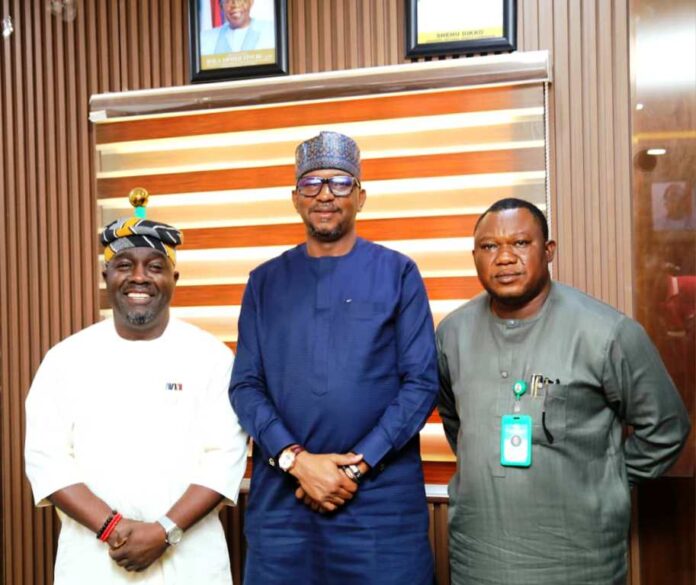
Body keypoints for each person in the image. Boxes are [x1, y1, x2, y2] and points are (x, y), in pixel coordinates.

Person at [436, 198, 691, 585]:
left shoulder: (606, 332)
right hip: (479, 558)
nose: (504, 258)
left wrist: (607, 478)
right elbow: (457, 421)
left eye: (520, 243)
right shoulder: (451, 334)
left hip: (580, 562)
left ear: (548, 251)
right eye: (490, 247)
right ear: (475, 256)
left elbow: (667, 427)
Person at [230, 131, 438, 584]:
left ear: (360, 196)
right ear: (295, 198)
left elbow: (421, 383)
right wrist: (298, 461)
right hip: (285, 506)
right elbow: (245, 386)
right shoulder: (264, 283)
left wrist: (355, 465)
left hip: (380, 508)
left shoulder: (398, 273)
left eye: (340, 183)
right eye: (312, 183)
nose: (325, 194)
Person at [25, 212, 248, 584]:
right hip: (94, 562)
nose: (139, 277)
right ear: (106, 278)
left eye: (155, 266)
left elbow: (224, 459)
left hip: (190, 564)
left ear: (173, 278)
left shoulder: (211, 358)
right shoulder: (65, 360)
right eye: (124, 265)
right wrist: (112, 527)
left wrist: (163, 531)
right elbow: (47, 460)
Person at [200, 0, 274, 56]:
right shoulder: (205, 39)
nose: (235, 4)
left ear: (250, 2)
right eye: (228, 1)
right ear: (221, 6)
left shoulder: (271, 32)